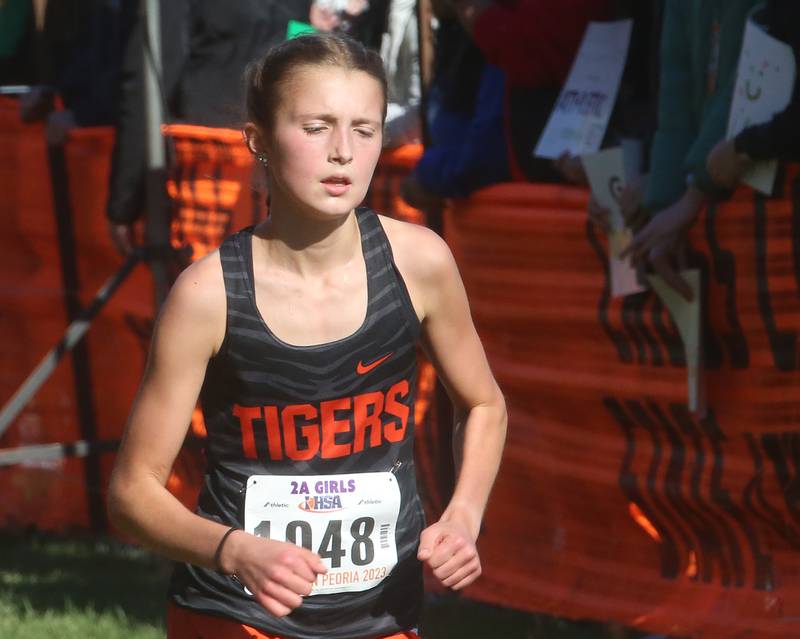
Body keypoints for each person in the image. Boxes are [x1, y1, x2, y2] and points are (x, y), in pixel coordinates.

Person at [107, 32, 507, 639]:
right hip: (236, 612)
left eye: (365, 129)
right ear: (258, 141)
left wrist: (464, 516)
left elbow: (483, 404)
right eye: (317, 127)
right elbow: (132, 493)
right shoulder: (208, 294)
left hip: (382, 614)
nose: (343, 151)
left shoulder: (419, 262)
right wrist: (235, 550)